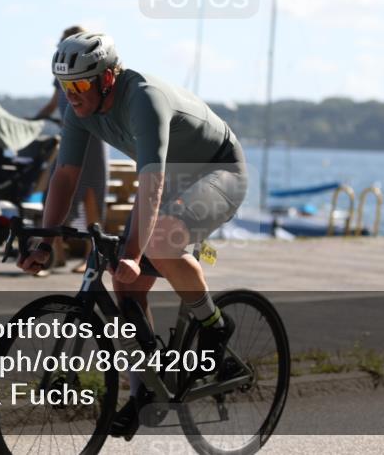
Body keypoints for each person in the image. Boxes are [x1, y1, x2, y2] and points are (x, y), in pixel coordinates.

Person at [17, 31, 248, 439]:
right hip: (167, 180)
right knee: (126, 289)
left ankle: (213, 323)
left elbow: (152, 182)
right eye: (65, 86)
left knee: (155, 245)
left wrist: (134, 252)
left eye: (81, 84)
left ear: (108, 78)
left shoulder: (142, 97)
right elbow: (65, 174)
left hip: (217, 171)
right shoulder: (78, 110)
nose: (72, 95)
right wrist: (46, 239)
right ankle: (147, 393)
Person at [34, 25, 110, 273]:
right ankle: (56, 252)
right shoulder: (62, 73)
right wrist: (34, 120)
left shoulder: (87, 68)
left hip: (93, 133)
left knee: (91, 193)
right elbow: (55, 102)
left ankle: (93, 256)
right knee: (57, 190)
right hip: (70, 132)